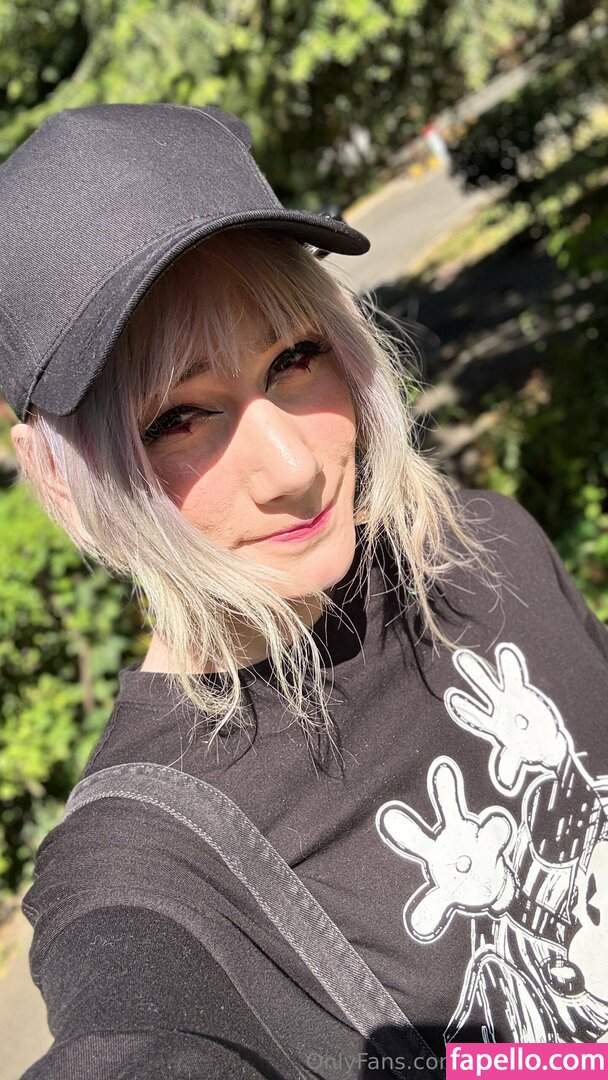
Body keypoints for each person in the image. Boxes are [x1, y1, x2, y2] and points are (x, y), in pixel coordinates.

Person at [1, 103, 607, 1080]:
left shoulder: (484, 546)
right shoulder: (148, 874)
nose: (292, 467)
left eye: (292, 359)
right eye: (179, 418)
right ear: (62, 479)